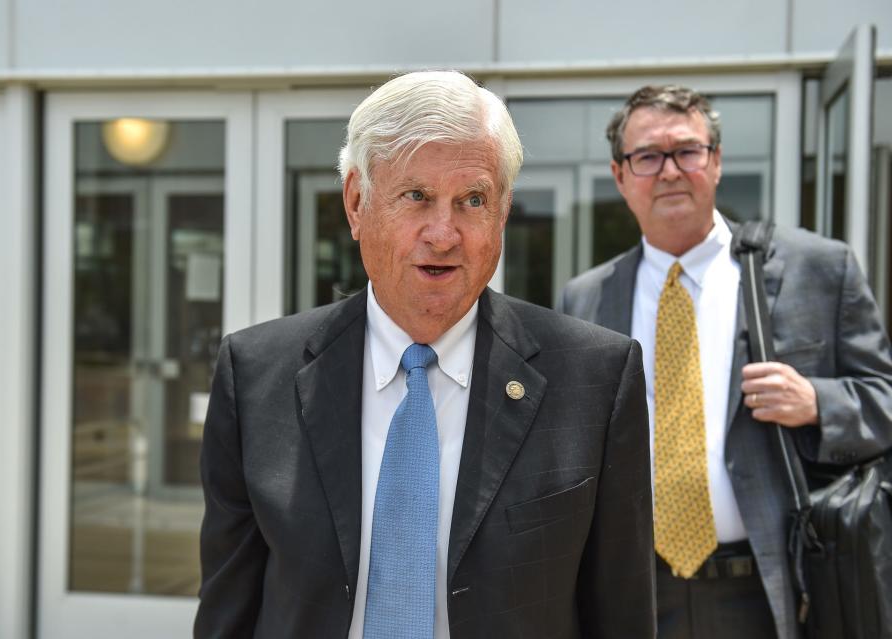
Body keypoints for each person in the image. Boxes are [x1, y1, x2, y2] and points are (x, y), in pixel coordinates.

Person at [194, 70, 655, 638]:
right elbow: (228, 610)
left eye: (472, 200)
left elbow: (623, 616)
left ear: (503, 211)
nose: (444, 233)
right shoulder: (256, 373)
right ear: (358, 203)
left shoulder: (596, 379)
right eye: (416, 196)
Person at [562, 84, 892, 639]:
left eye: (687, 151)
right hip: (636, 594)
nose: (669, 171)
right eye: (647, 156)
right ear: (620, 176)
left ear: (715, 161)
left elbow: (883, 400)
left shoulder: (817, 268)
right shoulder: (587, 299)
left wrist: (818, 402)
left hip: (775, 589)